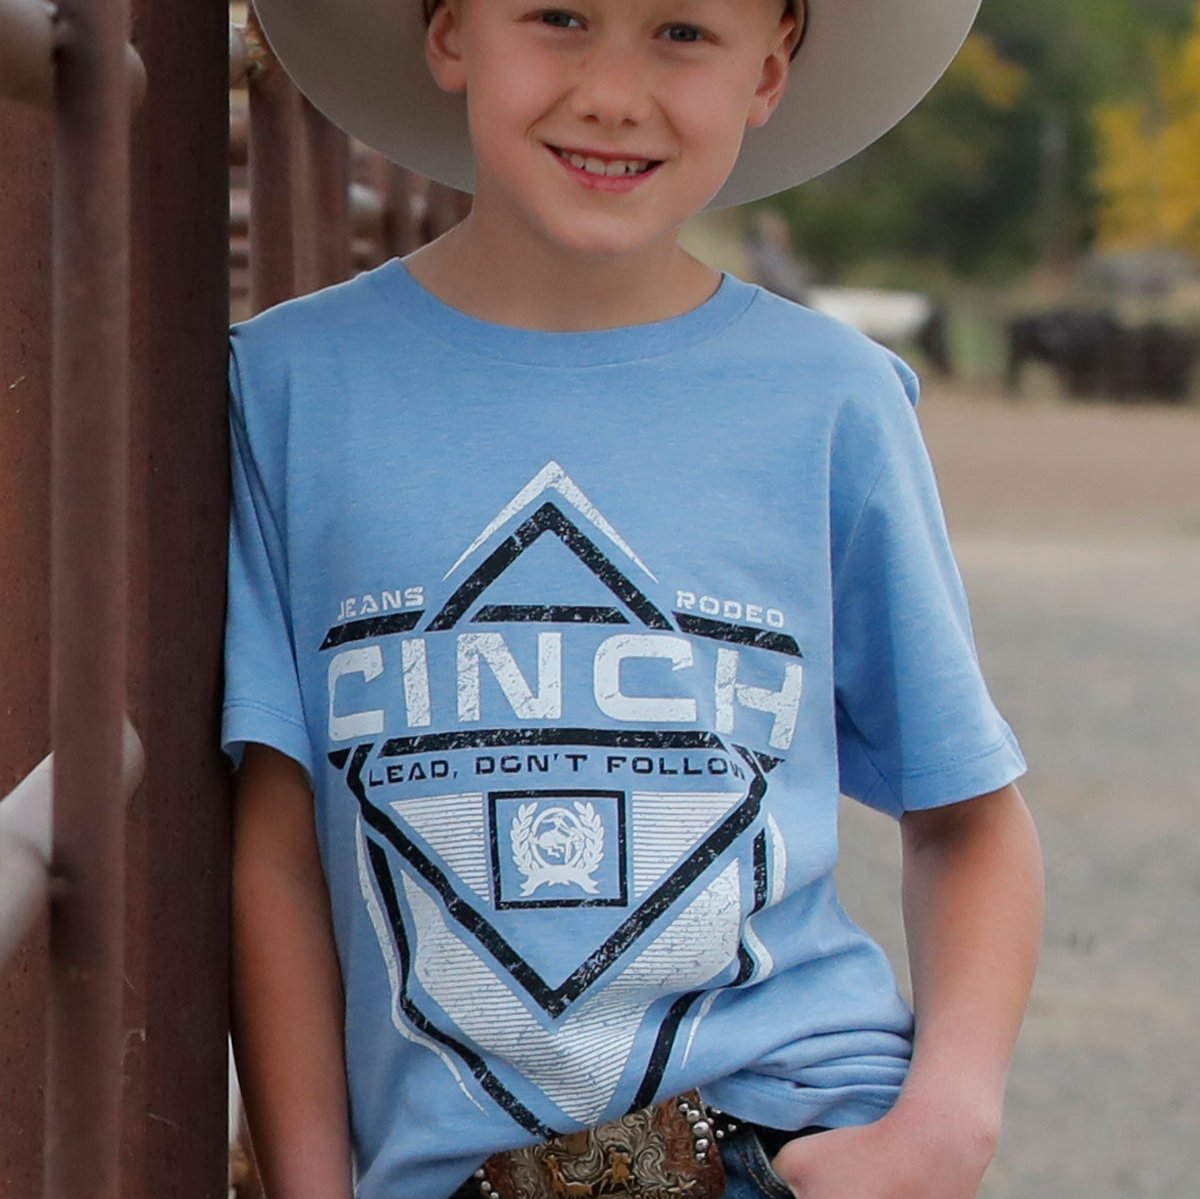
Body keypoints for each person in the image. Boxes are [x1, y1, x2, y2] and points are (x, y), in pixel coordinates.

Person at [223, 2, 1044, 1198]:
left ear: (770, 71)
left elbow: (969, 813)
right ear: (451, 34)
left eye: (682, 32)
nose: (614, 91)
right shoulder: (287, 392)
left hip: (779, 1134)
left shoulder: (835, 403)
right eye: (559, 16)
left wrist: (950, 1120)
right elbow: (278, 840)